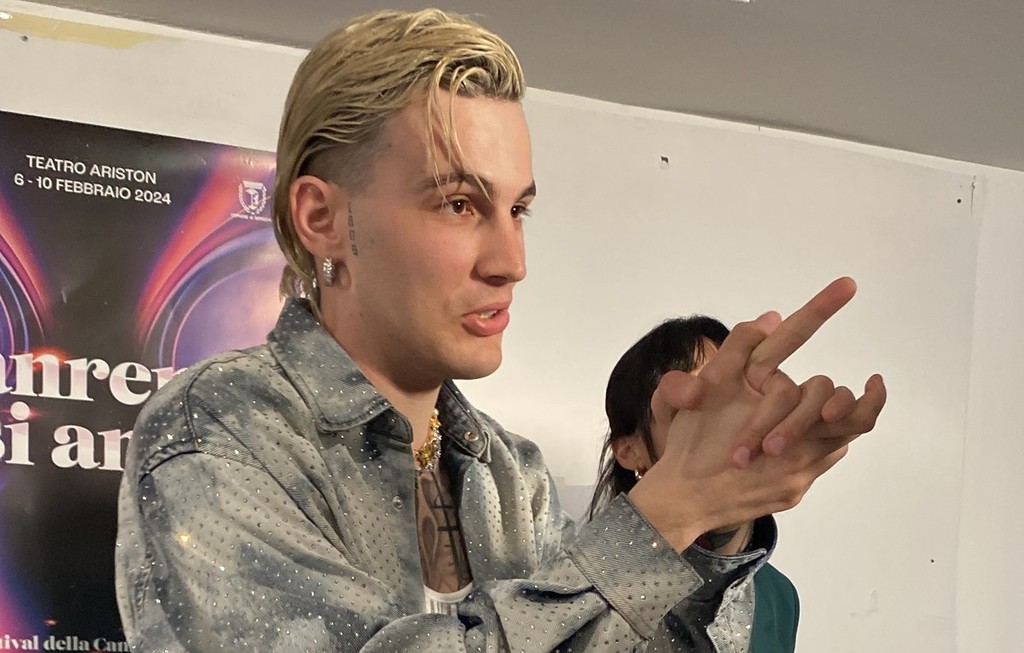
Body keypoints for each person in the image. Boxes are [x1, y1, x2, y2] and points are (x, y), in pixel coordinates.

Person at [115, 8, 886, 652]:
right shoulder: (219, 429)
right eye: (458, 203)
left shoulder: (513, 475)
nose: (511, 261)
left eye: (518, 209)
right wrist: (666, 513)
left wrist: (716, 510)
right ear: (322, 218)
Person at [588, 316, 801, 651]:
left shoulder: (778, 595)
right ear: (630, 451)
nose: (728, 426)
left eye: (740, 403)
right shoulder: (590, 582)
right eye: (693, 410)